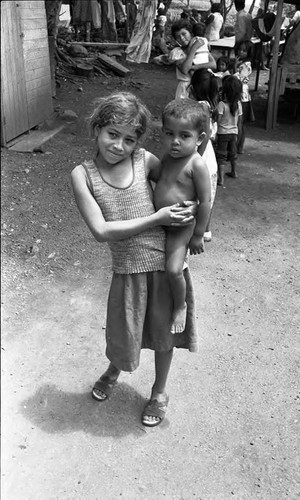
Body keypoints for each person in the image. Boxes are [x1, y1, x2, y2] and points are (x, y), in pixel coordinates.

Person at [71, 92, 198, 427]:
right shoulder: (83, 175)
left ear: (137, 142)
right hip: (127, 268)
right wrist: (157, 219)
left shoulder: (144, 161)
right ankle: (115, 369)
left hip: (163, 263)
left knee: (163, 334)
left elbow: (180, 183)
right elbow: (101, 230)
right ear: (97, 129)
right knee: (125, 333)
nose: (119, 146)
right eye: (112, 134)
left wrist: (194, 215)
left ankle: (159, 391)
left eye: (129, 139)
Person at [154, 99, 211, 333]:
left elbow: (206, 201)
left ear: (199, 139)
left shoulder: (196, 164)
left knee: (174, 269)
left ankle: (180, 305)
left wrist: (198, 235)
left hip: (180, 226)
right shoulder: (167, 156)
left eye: (184, 136)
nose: (175, 141)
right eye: (169, 133)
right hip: (159, 220)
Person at [189, 68, 219, 242]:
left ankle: (200, 230)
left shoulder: (200, 106)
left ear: (192, 88)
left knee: (201, 196)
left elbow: (205, 135)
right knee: (208, 195)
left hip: (203, 158)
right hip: (209, 157)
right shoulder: (209, 105)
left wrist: (196, 158)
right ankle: (206, 229)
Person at [170, 19, 216, 99]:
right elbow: (185, 70)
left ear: (191, 33)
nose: (182, 38)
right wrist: (193, 49)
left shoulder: (201, 48)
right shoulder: (177, 52)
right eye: (178, 37)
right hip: (185, 89)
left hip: (201, 85)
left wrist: (195, 67)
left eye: (184, 34)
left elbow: (213, 64)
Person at [216, 75, 243, 183]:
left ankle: (221, 178)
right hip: (234, 133)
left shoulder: (222, 104)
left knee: (221, 155)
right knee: (233, 153)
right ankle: (234, 172)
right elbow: (240, 121)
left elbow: (217, 120)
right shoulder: (238, 104)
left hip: (223, 133)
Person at [233, 40, 255, 154]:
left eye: (244, 51)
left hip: (242, 97)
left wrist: (234, 67)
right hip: (243, 96)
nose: (241, 52)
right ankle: (239, 146)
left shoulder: (245, 65)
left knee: (240, 123)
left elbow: (238, 79)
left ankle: (237, 147)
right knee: (241, 123)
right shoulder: (244, 64)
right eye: (240, 49)